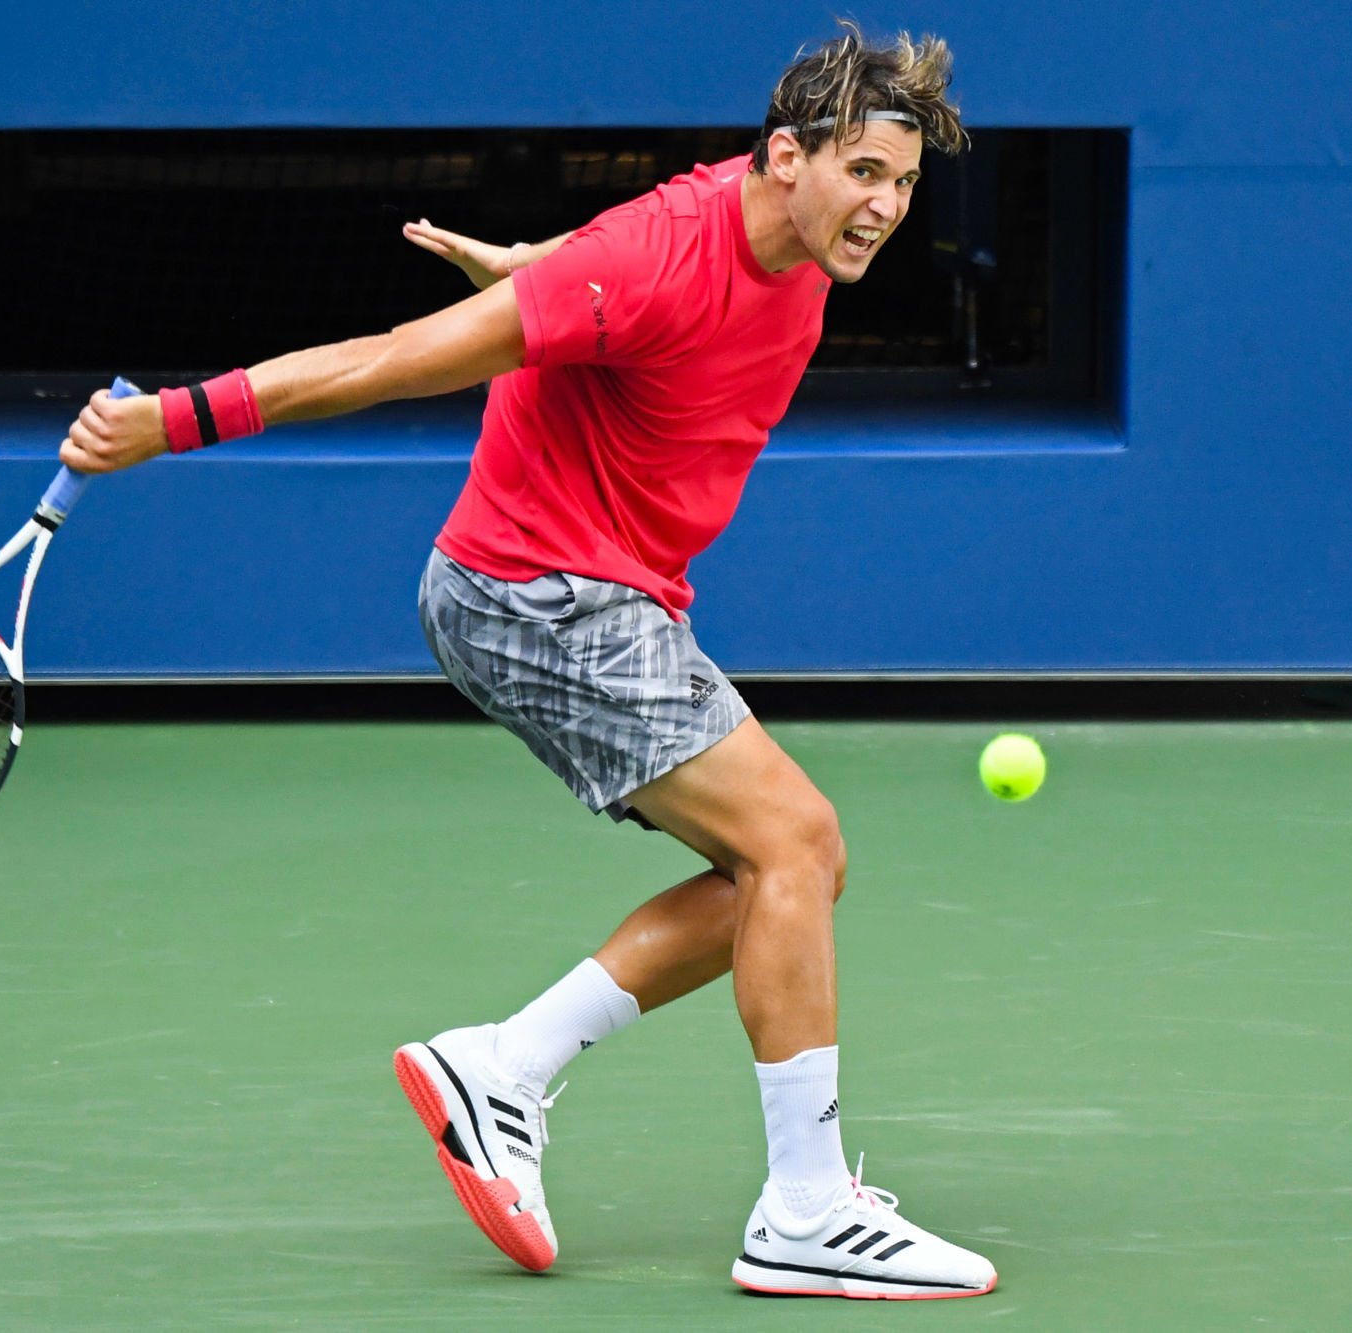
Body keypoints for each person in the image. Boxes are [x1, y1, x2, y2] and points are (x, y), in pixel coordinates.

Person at [60, 21, 996, 1301]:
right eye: (861, 175)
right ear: (785, 156)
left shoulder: (761, 236)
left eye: (901, 185)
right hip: (534, 590)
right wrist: (168, 422)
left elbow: (626, 271)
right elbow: (391, 361)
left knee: (784, 873)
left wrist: (537, 269)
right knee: (793, 840)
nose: (882, 209)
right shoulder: (656, 258)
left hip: (610, 588)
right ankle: (805, 1210)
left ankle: (503, 1065)